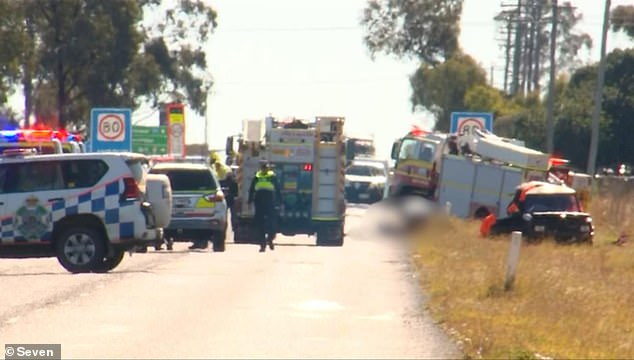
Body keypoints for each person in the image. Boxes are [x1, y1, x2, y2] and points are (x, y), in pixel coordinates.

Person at [248, 160, 282, 252]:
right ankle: (262, 244)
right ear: (261, 167)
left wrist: (280, 201)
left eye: (265, 167)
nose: (264, 168)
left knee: (272, 223)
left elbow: (278, 189)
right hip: (259, 201)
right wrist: (250, 201)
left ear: (268, 167)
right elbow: (251, 189)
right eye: (263, 167)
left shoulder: (272, 176)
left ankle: (270, 239)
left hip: (270, 201)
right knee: (259, 224)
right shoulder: (257, 176)